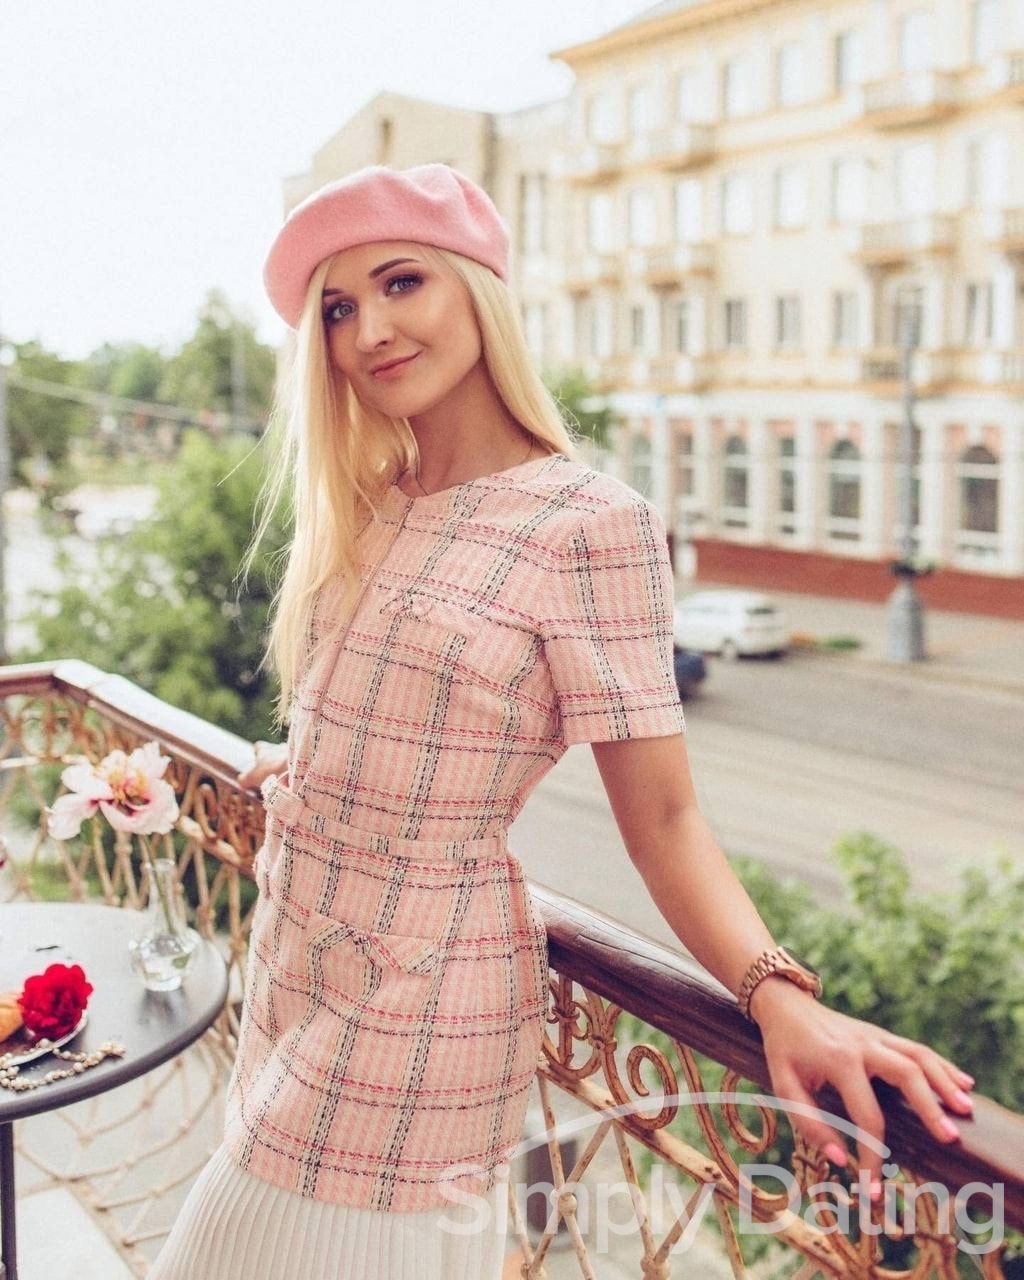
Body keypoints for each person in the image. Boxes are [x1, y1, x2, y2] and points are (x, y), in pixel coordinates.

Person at [149, 164, 974, 1280]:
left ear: (479, 289)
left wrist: (777, 993)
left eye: (402, 282)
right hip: (296, 963)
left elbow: (665, 817)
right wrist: (312, 765)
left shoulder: (590, 525)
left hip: (421, 1002)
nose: (369, 329)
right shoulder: (374, 499)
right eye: (337, 308)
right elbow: (392, 709)